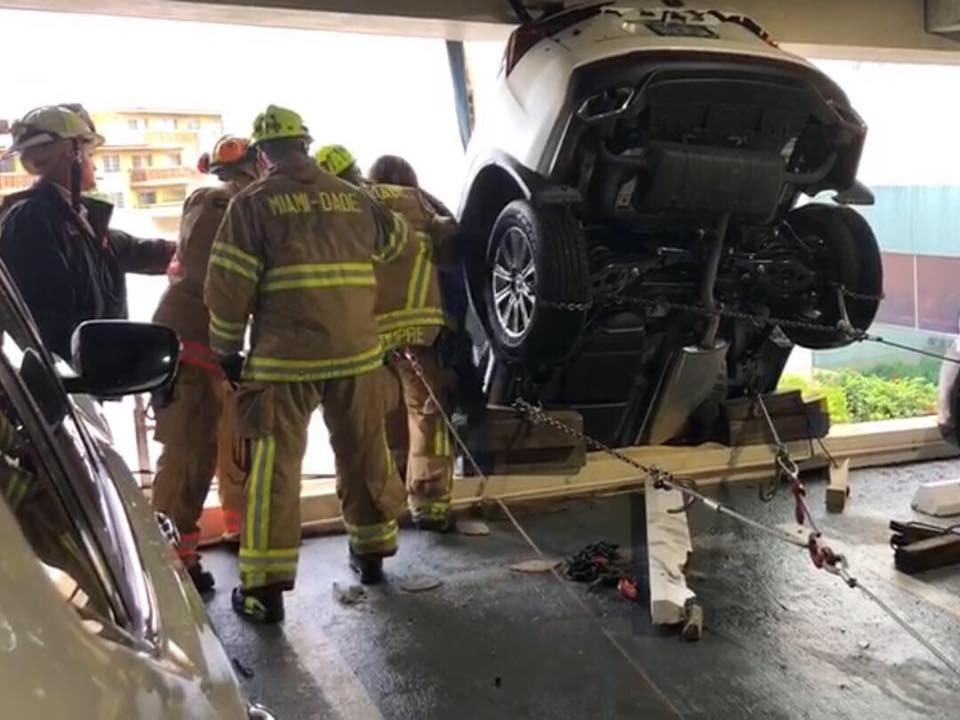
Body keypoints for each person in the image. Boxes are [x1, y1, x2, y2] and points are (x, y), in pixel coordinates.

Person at [204, 106, 412, 624]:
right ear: (307, 143)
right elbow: (396, 242)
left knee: (274, 469)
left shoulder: (254, 203)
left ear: (260, 155)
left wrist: (227, 352)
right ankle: (372, 554)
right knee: (366, 450)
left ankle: (264, 590)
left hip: (283, 363)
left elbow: (228, 289)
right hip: (357, 353)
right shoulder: (354, 197)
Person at [317, 147, 459, 531]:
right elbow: (454, 245)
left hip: (369, 335)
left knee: (381, 420)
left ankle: (389, 500)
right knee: (428, 417)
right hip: (422, 330)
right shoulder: (420, 203)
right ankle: (429, 505)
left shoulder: (349, 208)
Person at [150, 136, 259, 592]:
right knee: (186, 456)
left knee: (197, 457)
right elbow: (209, 273)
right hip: (190, 348)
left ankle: (182, 557)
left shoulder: (232, 205)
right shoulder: (219, 203)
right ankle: (170, 565)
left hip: (203, 348)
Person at [0, 104, 175, 360]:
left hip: (86, 379)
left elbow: (136, 250)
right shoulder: (32, 221)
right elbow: (48, 323)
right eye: (89, 153)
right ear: (72, 154)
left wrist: (197, 253)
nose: (95, 164)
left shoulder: (75, 218)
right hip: (69, 383)